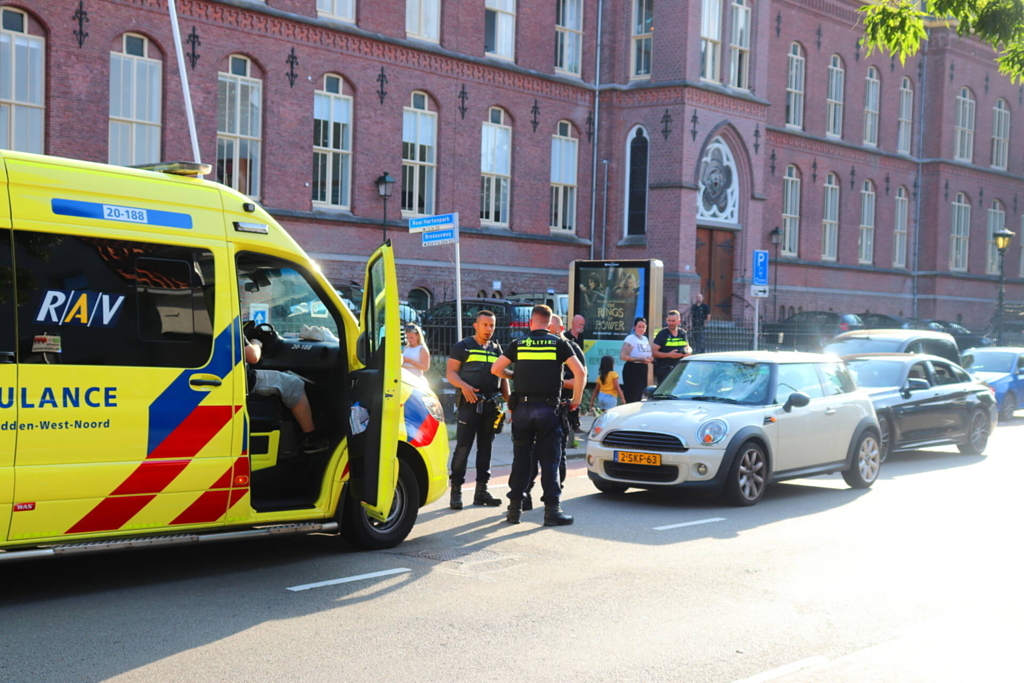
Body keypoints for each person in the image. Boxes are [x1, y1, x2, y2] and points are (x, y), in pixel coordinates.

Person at [491, 305, 585, 526]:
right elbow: (580, 372)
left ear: (531, 322)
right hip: (548, 411)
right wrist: (576, 400)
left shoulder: (518, 343)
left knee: (521, 460)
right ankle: (552, 511)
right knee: (550, 461)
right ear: (549, 323)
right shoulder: (559, 343)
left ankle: (514, 510)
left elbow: (495, 369)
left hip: (522, 411)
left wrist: (515, 375)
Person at [522, 314, 586, 511]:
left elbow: (580, 377)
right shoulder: (533, 345)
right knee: (531, 455)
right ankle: (526, 494)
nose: (546, 333)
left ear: (559, 329)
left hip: (561, 407)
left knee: (557, 456)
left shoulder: (569, 348)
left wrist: (557, 383)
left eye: (550, 329)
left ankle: (554, 498)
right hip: (536, 407)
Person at [446, 310, 509, 510]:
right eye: (485, 325)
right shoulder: (462, 346)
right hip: (469, 406)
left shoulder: (496, 349)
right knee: (463, 448)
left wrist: (511, 403)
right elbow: (451, 373)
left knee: (486, 449)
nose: (489, 329)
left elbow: (503, 378)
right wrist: (464, 386)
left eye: (492, 325)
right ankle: (456, 491)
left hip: (490, 407)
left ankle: (481, 491)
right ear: (476, 325)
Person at [245, 337, 328, 455]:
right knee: (293, 384)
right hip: (243, 381)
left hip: (230, 380)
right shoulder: (227, 328)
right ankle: (311, 439)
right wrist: (256, 344)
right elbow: (252, 356)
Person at [651, 310, 691, 384]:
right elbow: (653, 352)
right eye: (669, 321)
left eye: (673, 321)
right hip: (665, 370)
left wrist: (688, 352)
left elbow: (688, 347)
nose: (671, 323)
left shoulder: (682, 333)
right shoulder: (662, 334)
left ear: (679, 321)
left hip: (679, 369)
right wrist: (669, 355)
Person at [620, 317, 653, 403]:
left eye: (643, 327)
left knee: (640, 396)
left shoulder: (645, 339)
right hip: (633, 369)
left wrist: (650, 358)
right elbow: (623, 356)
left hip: (643, 369)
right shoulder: (630, 338)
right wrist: (639, 359)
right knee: (632, 397)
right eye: (639, 326)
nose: (641, 329)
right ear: (634, 327)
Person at [564, 314, 587, 434]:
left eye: (583, 325)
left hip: (579, 371)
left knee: (577, 398)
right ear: (573, 324)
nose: (581, 327)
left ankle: (575, 424)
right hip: (568, 372)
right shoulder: (565, 337)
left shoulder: (583, 338)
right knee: (567, 399)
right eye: (579, 324)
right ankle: (568, 424)